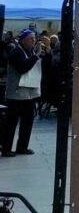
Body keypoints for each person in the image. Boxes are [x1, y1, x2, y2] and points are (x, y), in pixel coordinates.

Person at [1, 29, 49, 157]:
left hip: (29, 93)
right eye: (30, 39)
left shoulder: (31, 51)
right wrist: (35, 56)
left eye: (34, 38)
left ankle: (22, 146)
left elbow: (45, 66)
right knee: (11, 122)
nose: (33, 41)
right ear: (22, 40)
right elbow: (23, 68)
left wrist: (46, 52)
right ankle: (6, 148)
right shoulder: (15, 52)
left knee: (28, 121)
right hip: (16, 93)